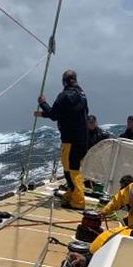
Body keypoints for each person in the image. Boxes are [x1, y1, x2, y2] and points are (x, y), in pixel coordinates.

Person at [35, 69, 88, 209]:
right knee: (72, 168)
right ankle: (72, 194)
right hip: (83, 139)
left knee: (71, 169)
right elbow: (67, 114)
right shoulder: (82, 95)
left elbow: (54, 115)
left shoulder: (64, 95)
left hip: (71, 140)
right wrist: (42, 114)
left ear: (64, 81)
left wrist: (43, 103)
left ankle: (78, 201)